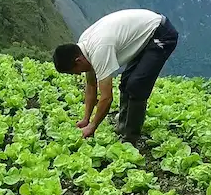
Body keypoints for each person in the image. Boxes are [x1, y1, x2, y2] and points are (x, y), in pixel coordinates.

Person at [52, 8, 179, 141]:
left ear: (78, 61)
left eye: (76, 71)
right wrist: (86, 119)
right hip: (146, 33)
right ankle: (123, 126)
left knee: (137, 85)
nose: (78, 74)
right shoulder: (83, 47)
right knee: (126, 82)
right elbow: (91, 85)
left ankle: (131, 136)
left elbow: (106, 98)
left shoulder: (99, 50)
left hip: (161, 33)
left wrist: (92, 126)